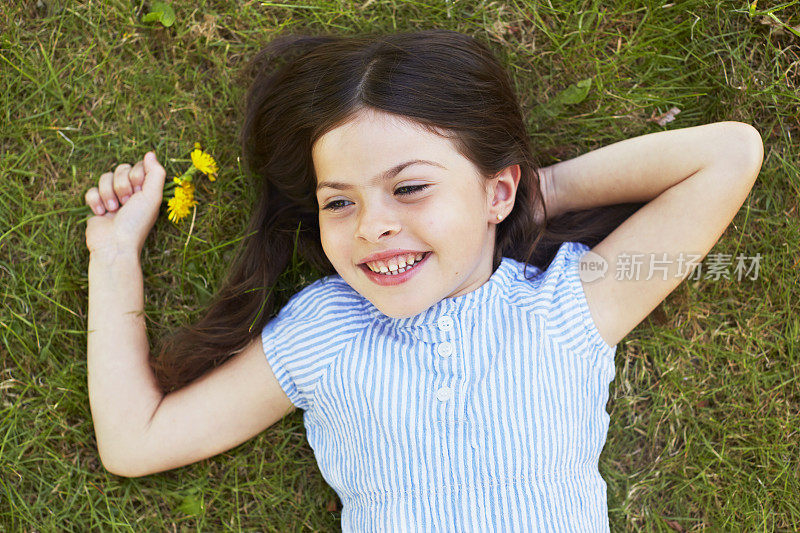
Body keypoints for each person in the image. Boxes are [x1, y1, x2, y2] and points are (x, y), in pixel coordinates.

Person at [83, 29, 763, 531]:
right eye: (339, 201)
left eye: (409, 187)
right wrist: (114, 258)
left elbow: (729, 154)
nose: (372, 225)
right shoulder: (326, 330)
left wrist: (520, 198)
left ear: (496, 191)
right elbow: (136, 439)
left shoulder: (565, 306)